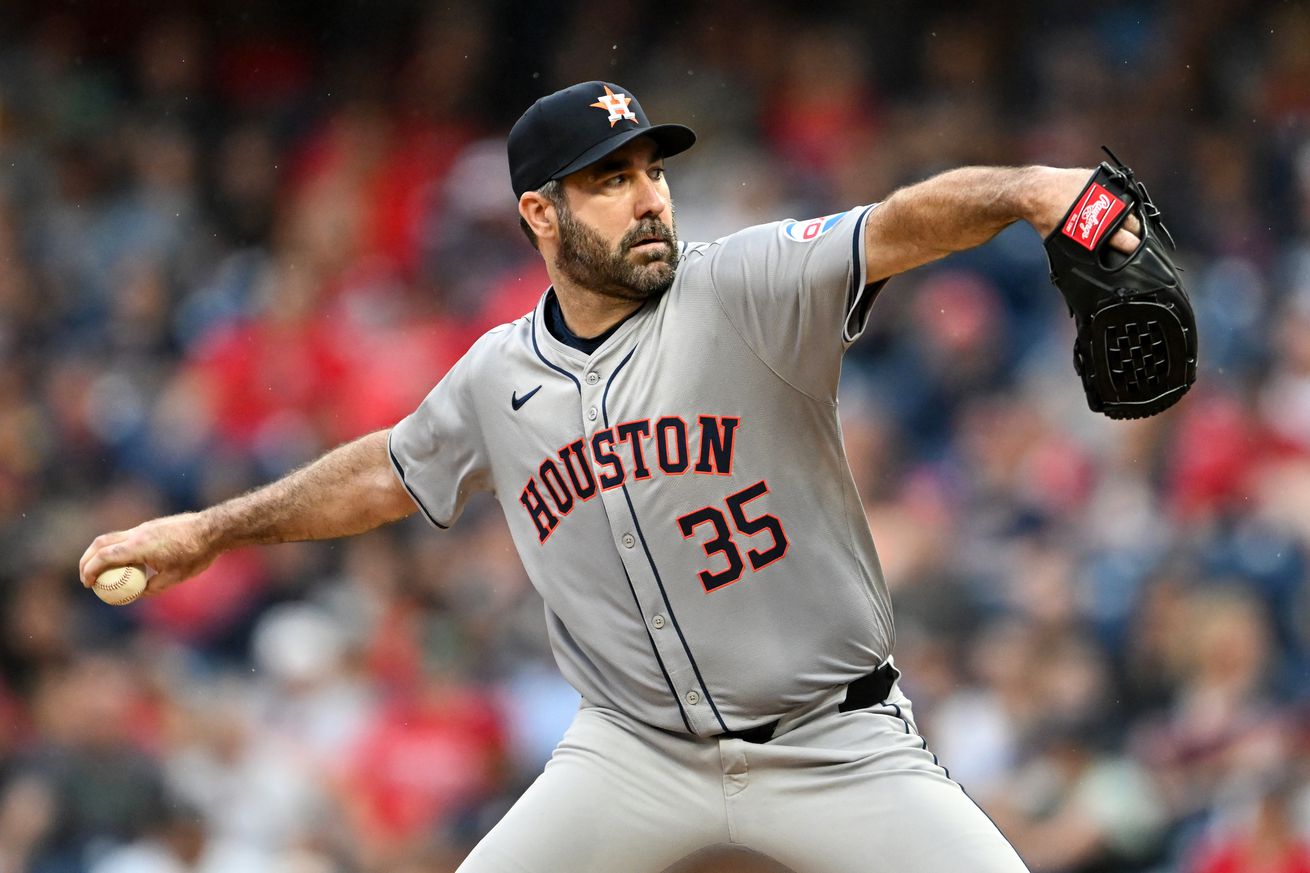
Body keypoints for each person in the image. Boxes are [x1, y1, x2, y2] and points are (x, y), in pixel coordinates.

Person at [80, 81, 1145, 873]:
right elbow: (386, 472)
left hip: (833, 741)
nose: (645, 199)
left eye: (650, 171)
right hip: (632, 756)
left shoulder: (738, 287)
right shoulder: (498, 375)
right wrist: (209, 532)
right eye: (608, 180)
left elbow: (899, 223)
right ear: (539, 213)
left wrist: (1029, 190)